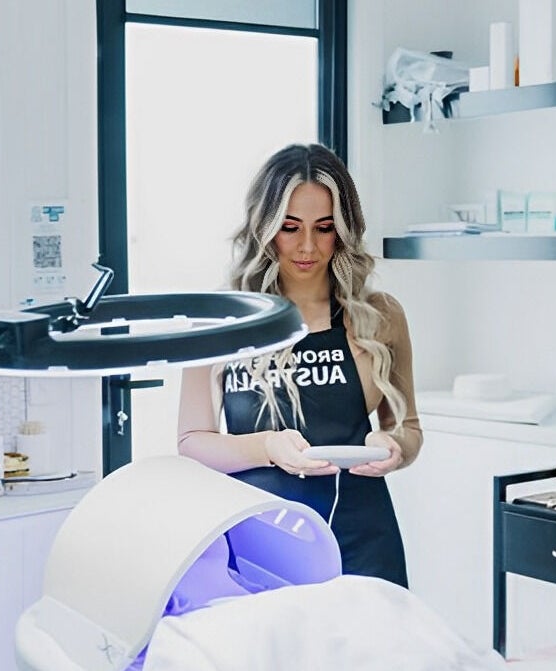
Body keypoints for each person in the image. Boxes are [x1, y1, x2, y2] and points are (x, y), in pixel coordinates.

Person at [177, 143, 423, 588]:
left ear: (343, 231)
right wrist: (267, 447)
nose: (307, 246)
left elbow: (409, 427)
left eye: (324, 228)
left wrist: (394, 447)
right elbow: (192, 441)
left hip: (363, 538)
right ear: (263, 228)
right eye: (289, 228)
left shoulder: (379, 315)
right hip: (260, 542)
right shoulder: (219, 320)